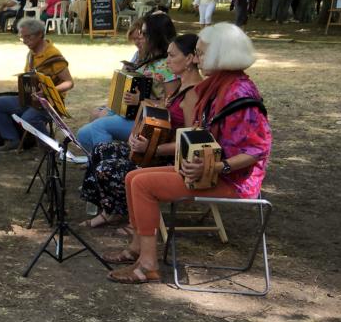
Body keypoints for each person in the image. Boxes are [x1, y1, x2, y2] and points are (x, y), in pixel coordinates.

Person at [106, 23, 271, 284]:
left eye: (202, 53)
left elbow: (256, 150)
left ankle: (148, 265)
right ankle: (138, 249)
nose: (197, 58)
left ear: (221, 55)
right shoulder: (218, 86)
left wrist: (216, 168)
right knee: (133, 178)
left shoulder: (239, 93)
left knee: (143, 185)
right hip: (208, 170)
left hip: (232, 180)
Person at [79, 33, 202, 228]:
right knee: (101, 149)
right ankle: (111, 211)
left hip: (171, 159)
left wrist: (152, 148)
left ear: (189, 59)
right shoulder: (182, 86)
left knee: (106, 168)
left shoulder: (193, 93)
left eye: (172, 56)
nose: (167, 61)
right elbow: (164, 112)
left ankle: (128, 215)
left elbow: (191, 141)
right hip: (155, 150)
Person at [76, 12, 180, 151]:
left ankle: (109, 164)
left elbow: (171, 106)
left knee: (99, 126)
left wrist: (141, 100)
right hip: (131, 114)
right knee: (82, 135)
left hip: (148, 121)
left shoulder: (167, 65)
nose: (140, 36)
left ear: (155, 36)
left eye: (144, 33)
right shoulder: (145, 57)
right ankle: (99, 161)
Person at [0, 17, 74, 150]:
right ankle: (12, 139)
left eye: (28, 37)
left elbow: (69, 82)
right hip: (31, 99)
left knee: (29, 117)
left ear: (40, 34)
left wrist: (47, 92)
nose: (25, 41)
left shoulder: (52, 55)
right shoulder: (31, 53)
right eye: (22, 37)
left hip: (50, 103)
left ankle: (50, 148)